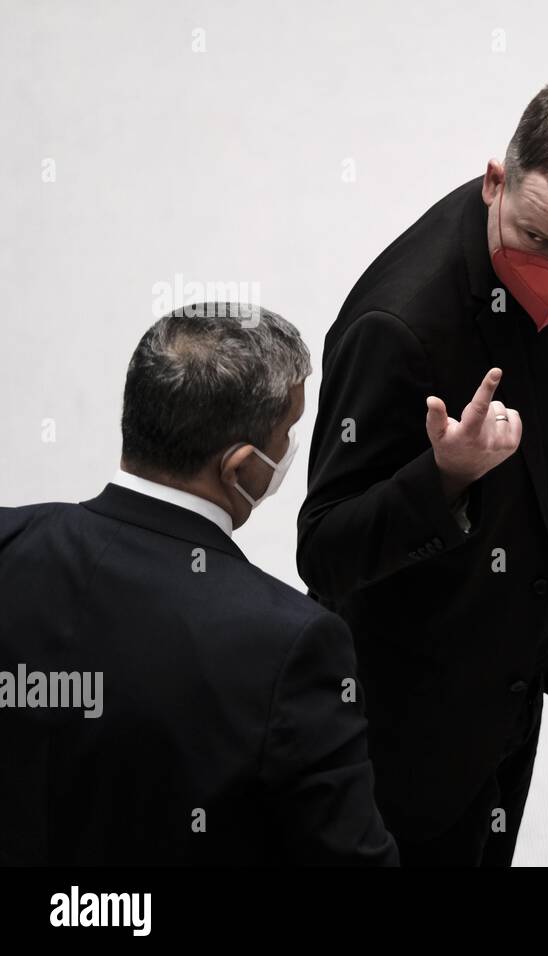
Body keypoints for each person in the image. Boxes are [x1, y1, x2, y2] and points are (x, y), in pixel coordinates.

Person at [297, 78, 548, 866]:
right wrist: (442, 478)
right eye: (536, 240)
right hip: (407, 733)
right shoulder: (397, 326)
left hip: (512, 689)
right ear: (498, 179)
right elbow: (323, 550)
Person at [0, 303, 397, 865]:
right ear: (240, 468)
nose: (288, 453)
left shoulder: (9, 538)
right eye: (287, 433)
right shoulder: (293, 644)